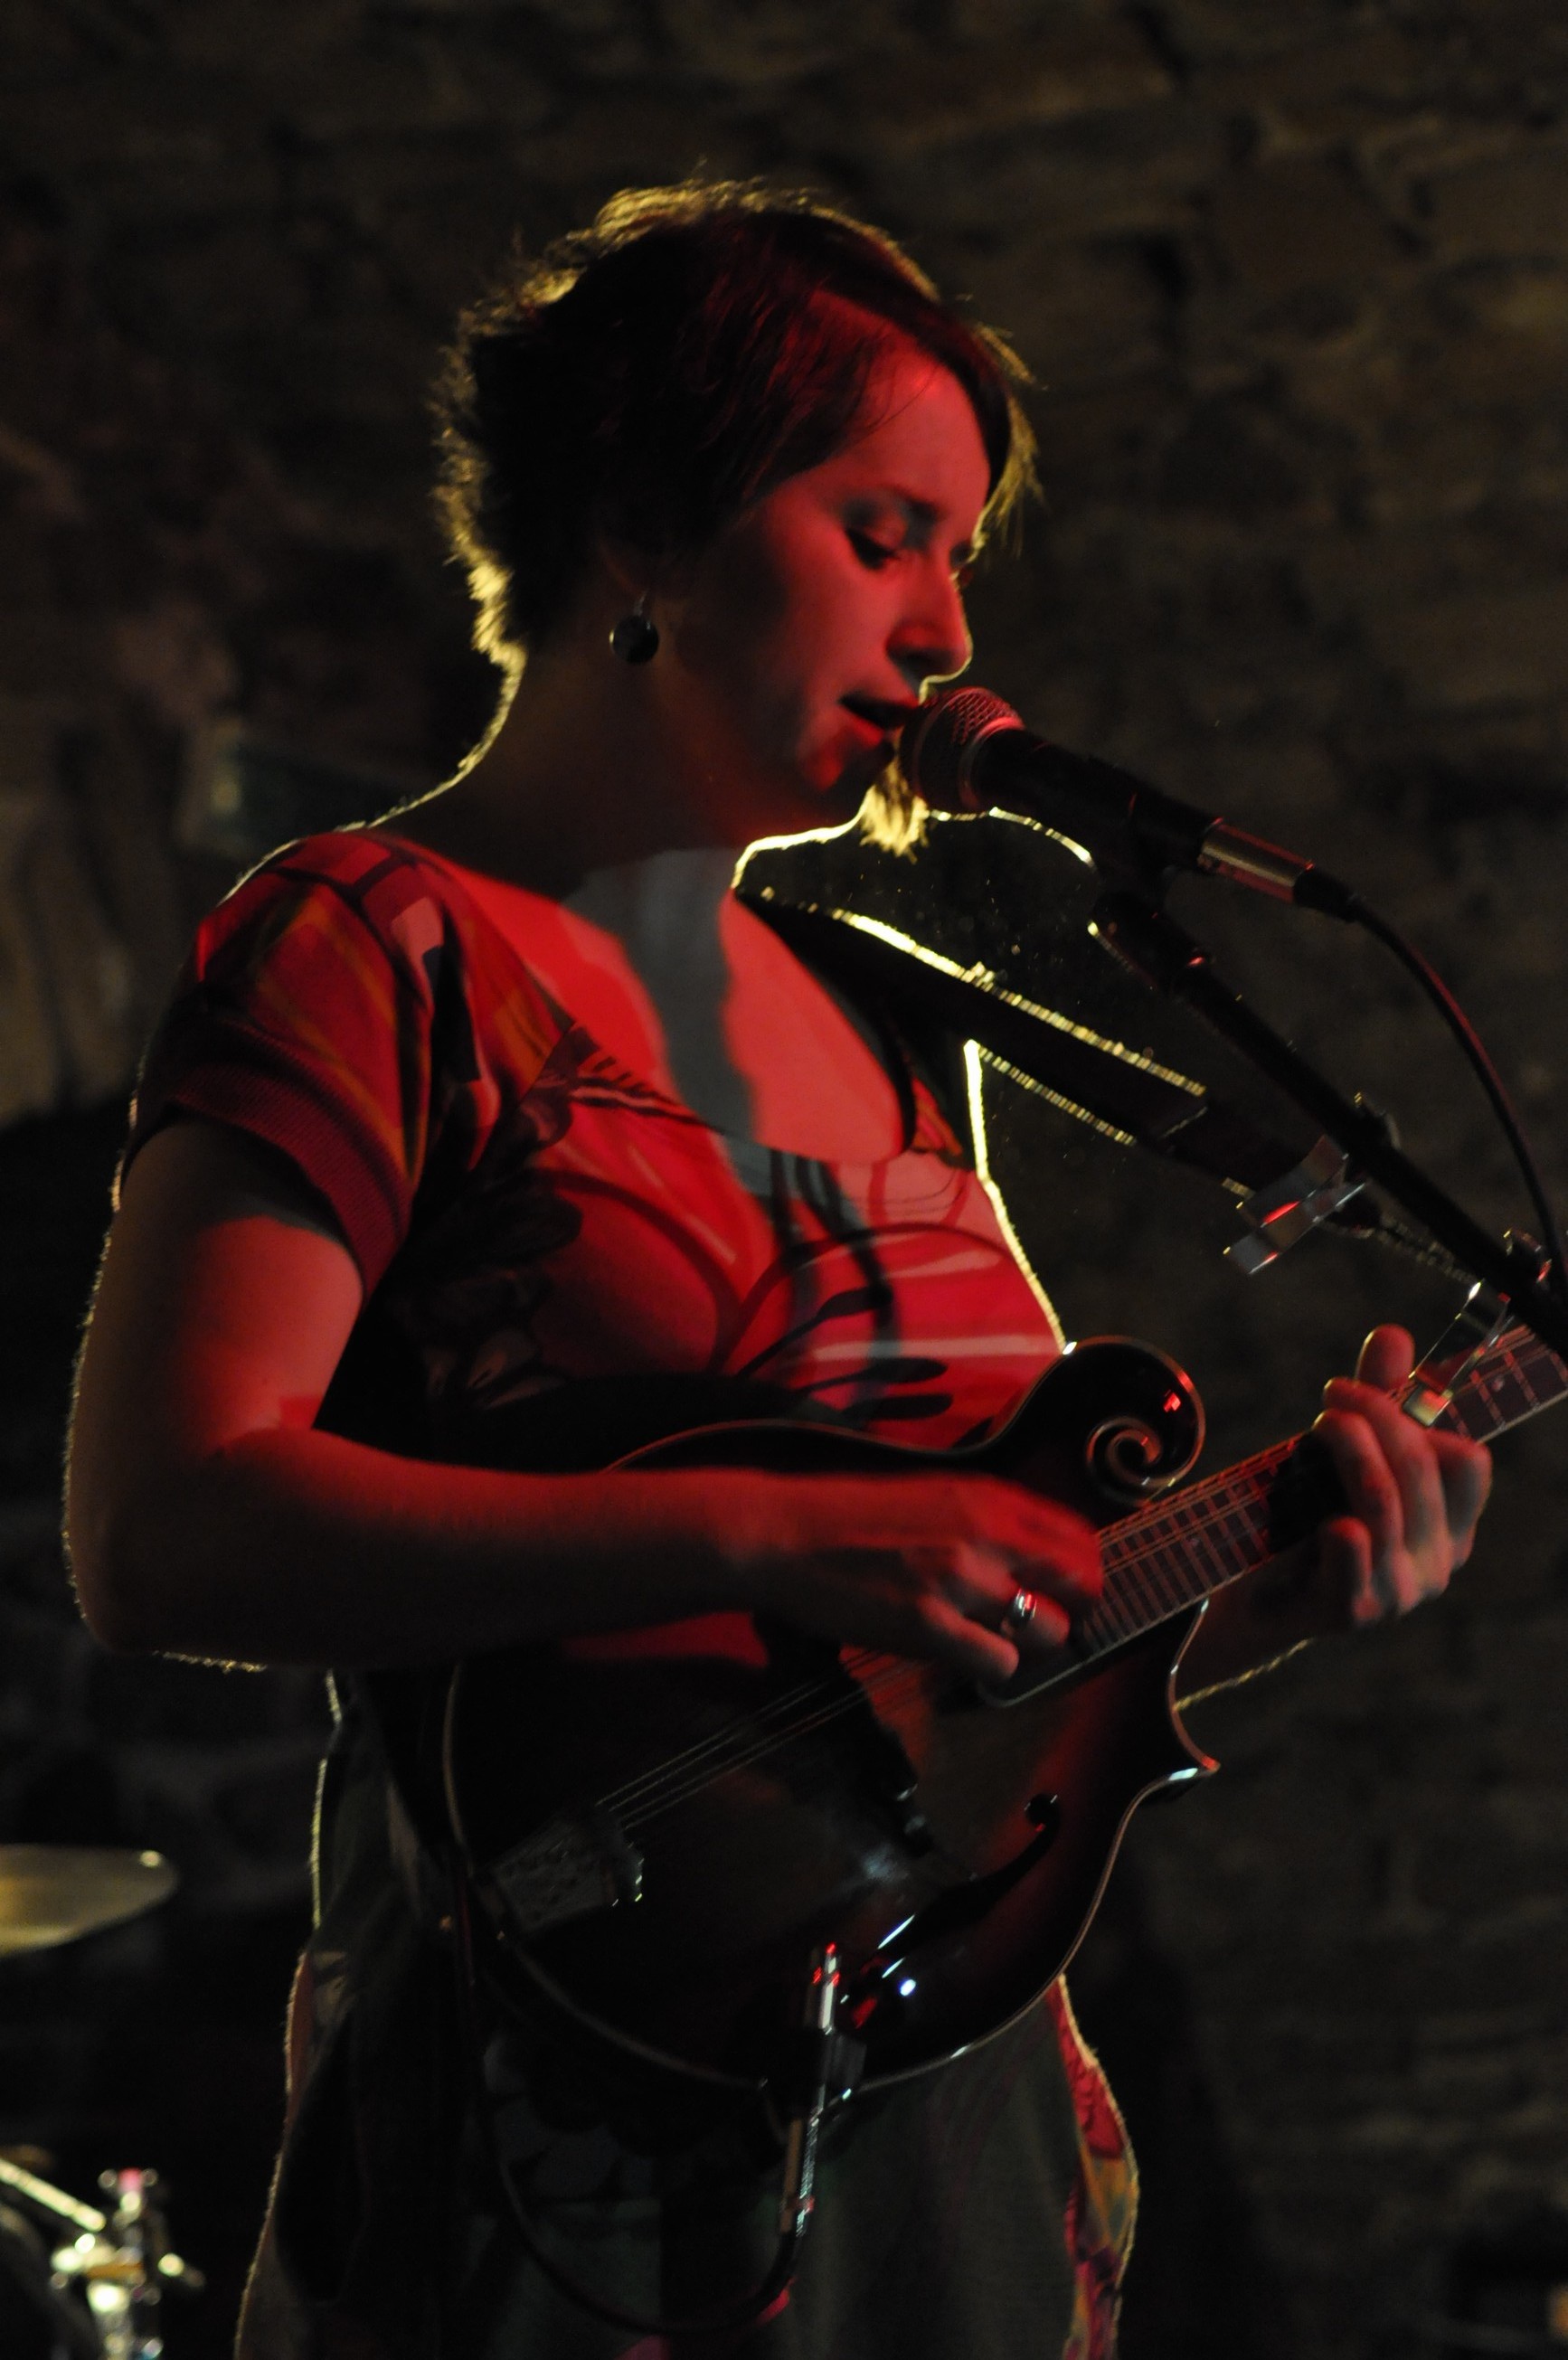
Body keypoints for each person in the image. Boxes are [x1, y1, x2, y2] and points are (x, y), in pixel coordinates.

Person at [65, 181, 1492, 2360]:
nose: (946, 633)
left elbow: (926, 1675)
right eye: (883, 534)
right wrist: (753, 1528)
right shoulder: (373, 945)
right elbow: (162, 1529)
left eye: (961, 556)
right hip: (564, 2145)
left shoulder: (889, 1013)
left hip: (950, 2133)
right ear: (644, 519)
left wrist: (1261, 1597)